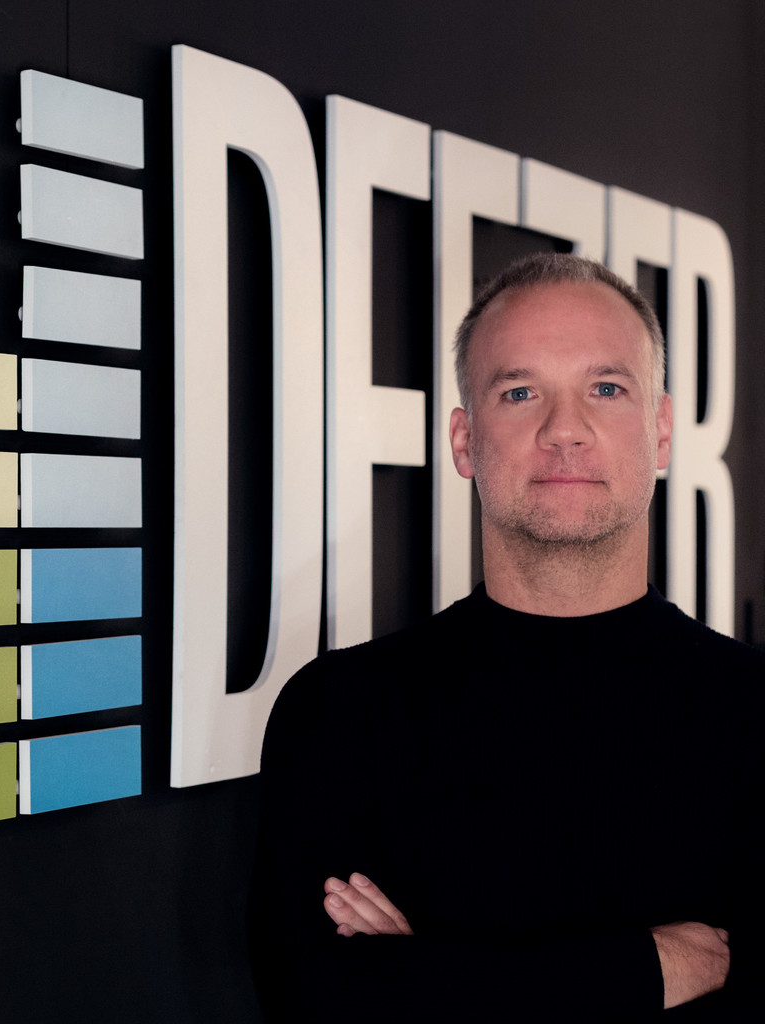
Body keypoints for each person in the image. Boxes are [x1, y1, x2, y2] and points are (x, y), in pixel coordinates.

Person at [247, 253, 765, 1022]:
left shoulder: (756, 710)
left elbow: (381, 999)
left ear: (660, 432)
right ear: (464, 440)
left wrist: (431, 978)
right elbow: (316, 1001)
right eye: (520, 392)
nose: (564, 430)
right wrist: (650, 969)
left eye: (605, 388)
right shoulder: (341, 710)